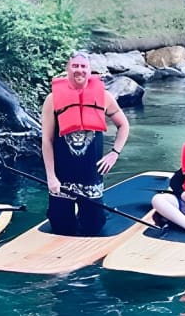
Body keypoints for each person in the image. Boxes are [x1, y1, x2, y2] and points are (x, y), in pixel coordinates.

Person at [41, 51, 130, 236]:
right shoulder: (52, 99)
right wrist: (51, 177)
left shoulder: (104, 97)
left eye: (83, 66)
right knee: (60, 227)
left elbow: (124, 125)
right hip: (62, 175)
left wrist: (114, 153)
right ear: (68, 69)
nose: (79, 70)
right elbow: (47, 141)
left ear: (90, 70)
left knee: (94, 227)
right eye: (75, 66)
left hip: (91, 174)